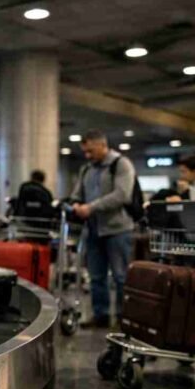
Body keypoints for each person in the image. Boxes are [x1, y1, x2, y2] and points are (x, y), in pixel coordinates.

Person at [71, 129, 137, 329]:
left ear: (102, 145)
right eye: (85, 151)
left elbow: (122, 194)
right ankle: (101, 315)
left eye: (91, 150)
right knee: (96, 277)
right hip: (94, 231)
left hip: (118, 230)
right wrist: (74, 204)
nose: (87, 155)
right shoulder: (87, 169)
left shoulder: (121, 164)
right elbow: (77, 194)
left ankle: (123, 318)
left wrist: (91, 207)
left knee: (120, 276)